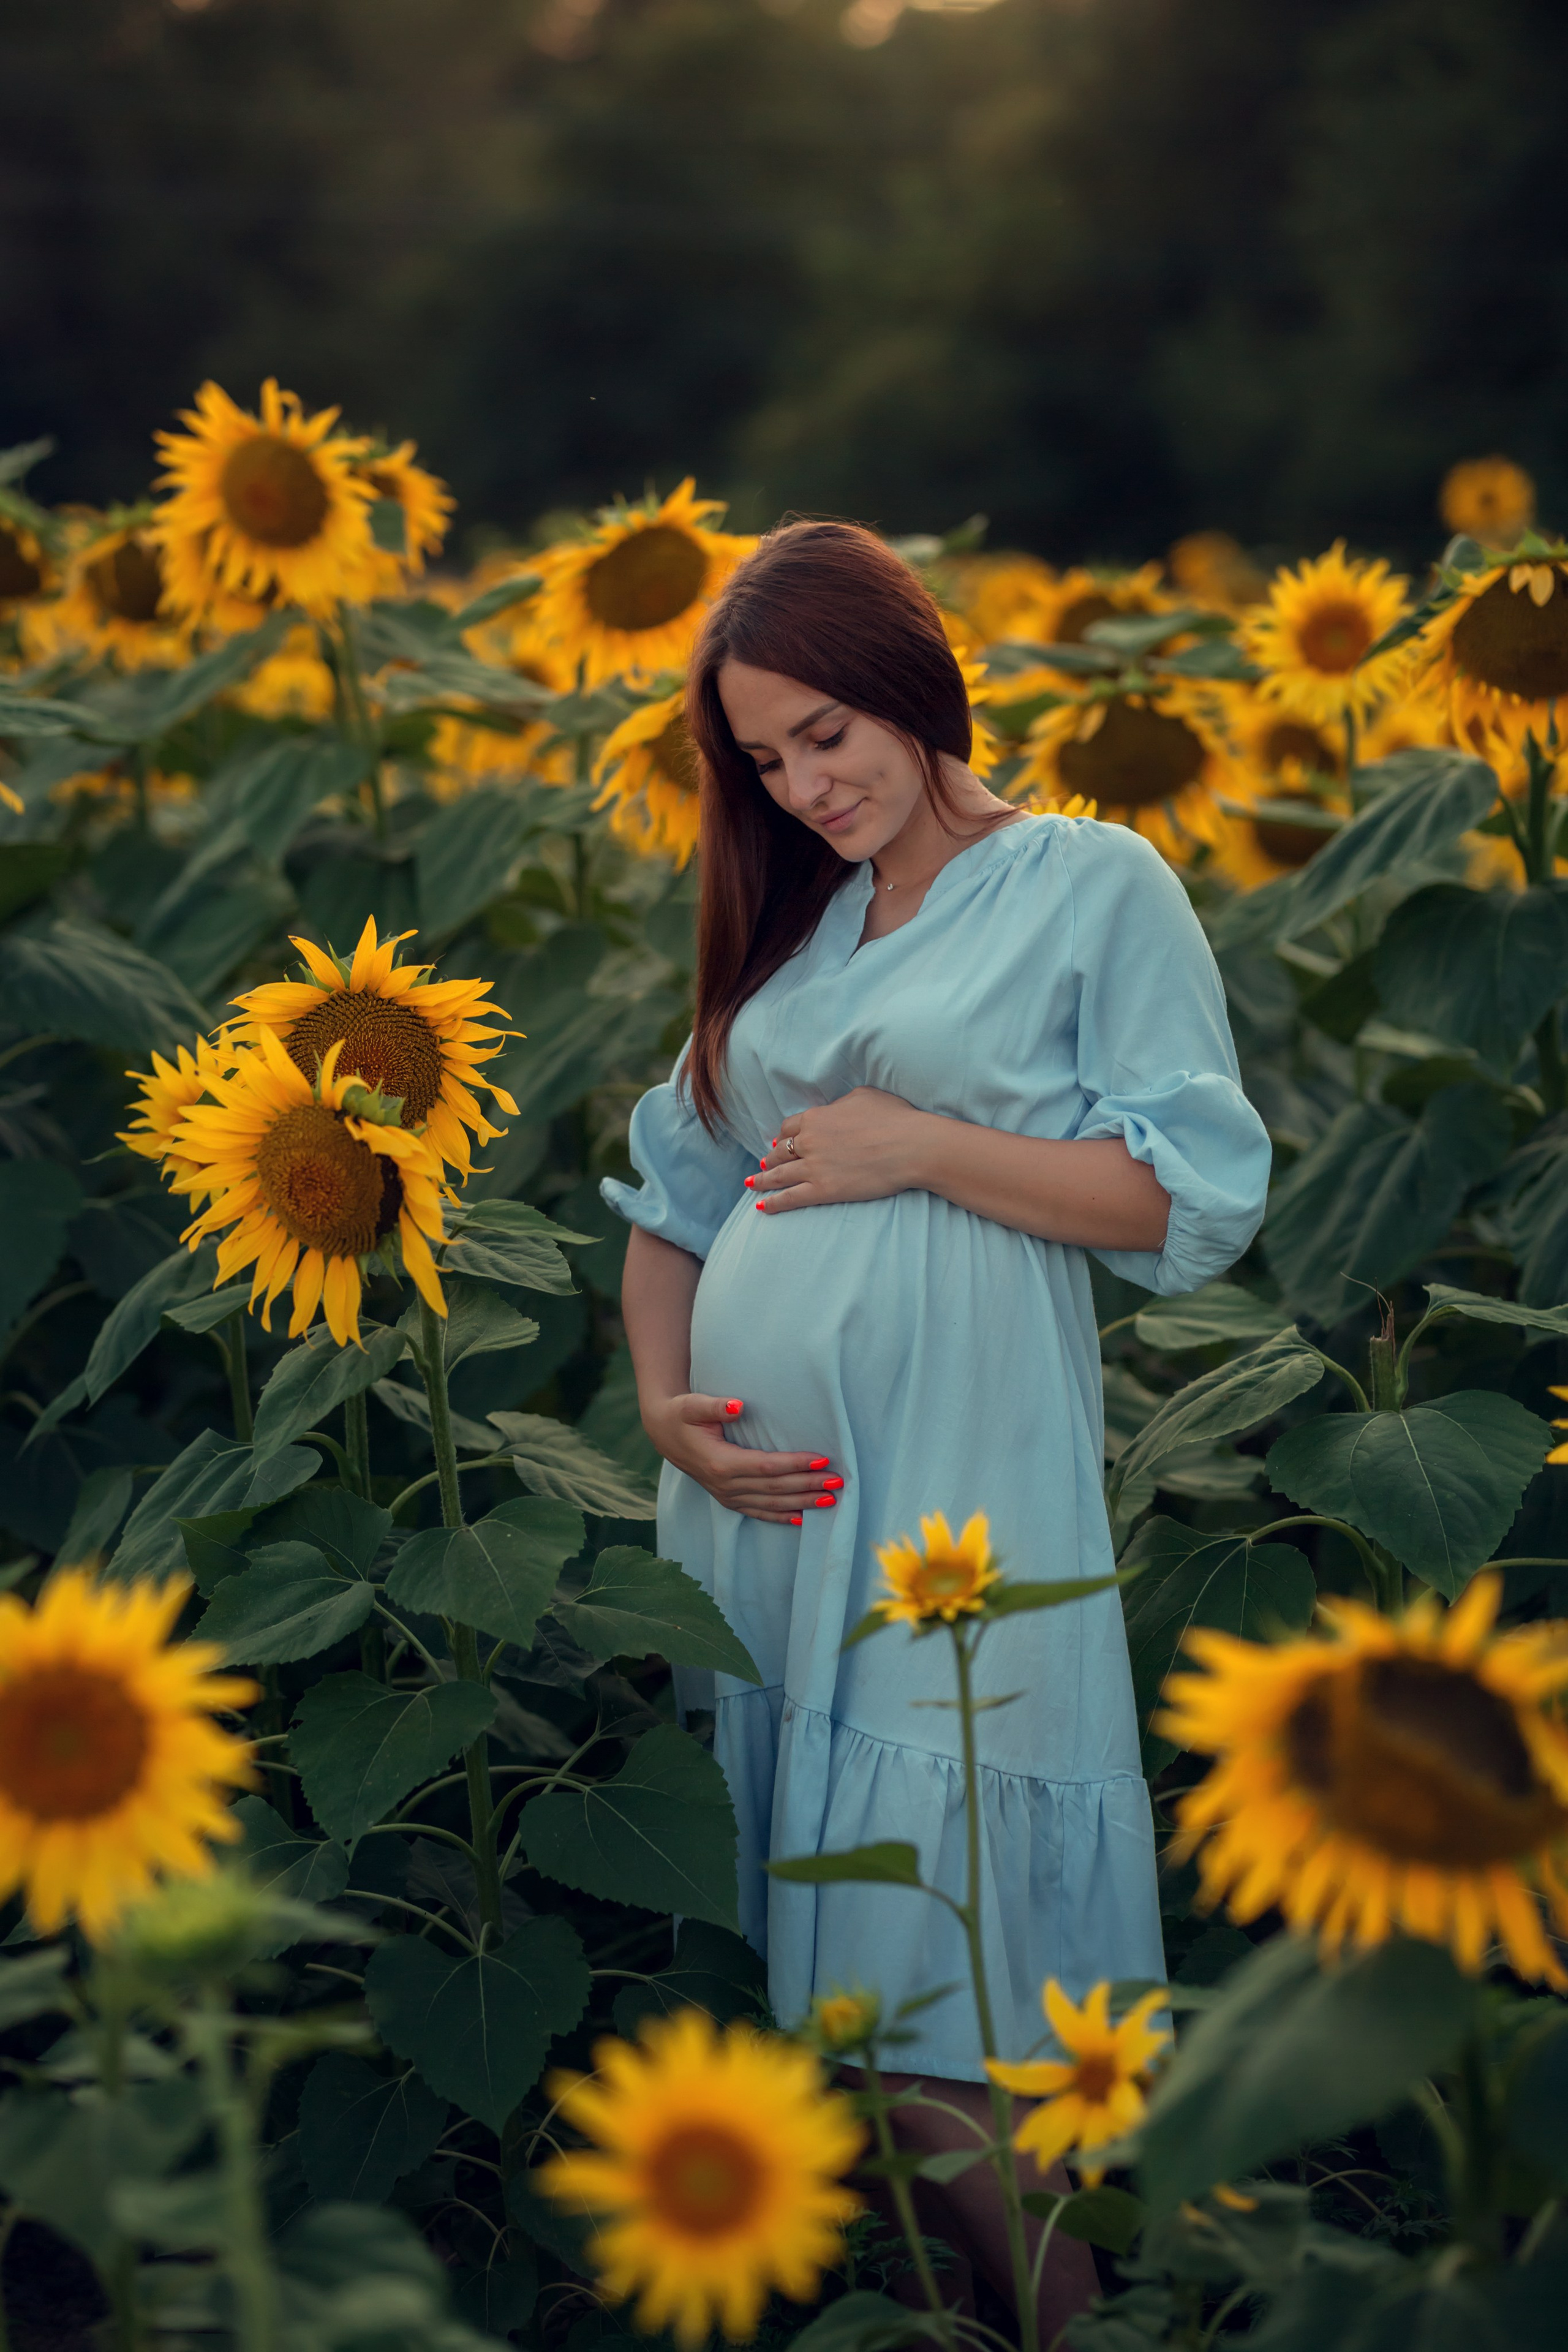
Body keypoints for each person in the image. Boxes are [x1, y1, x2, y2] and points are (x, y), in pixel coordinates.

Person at [602, 521, 1272, 2331]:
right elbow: (672, 1203)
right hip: (771, 1510)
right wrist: (670, 1410)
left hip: (961, 1495)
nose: (805, 785)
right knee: (837, 1983)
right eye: (763, 760)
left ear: (913, 682)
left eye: (828, 733)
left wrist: (921, 1147)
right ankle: (959, 2319)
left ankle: (1075, 2325)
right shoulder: (801, 929)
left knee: (944, 1978)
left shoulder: (1089, 879)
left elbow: (1189, 1199)